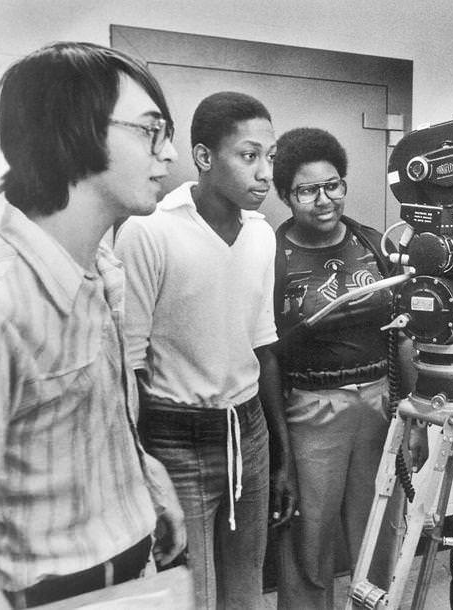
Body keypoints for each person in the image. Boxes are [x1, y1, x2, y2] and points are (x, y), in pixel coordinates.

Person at [0, 42, 186, 609]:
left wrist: (146, 478)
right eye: (150, 130)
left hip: (130, 579)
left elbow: (76, 422)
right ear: (73, 132)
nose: (169, 153)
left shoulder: (100, 271)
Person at [114, 91, 297, 610]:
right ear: (203, 157)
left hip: (249, 432)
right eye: (249, 155)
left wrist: (280, 456)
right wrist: (141, 467)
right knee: (189, 592)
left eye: (271, 156)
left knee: (246, 585)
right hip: (176, 436)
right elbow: (129, 365)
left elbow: (263, 348)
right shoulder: (150, 232)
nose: (265, 173)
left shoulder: (261, 237)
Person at [271, 127, 426, 609]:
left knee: (380, 529)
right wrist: (280, 449)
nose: (323, 199)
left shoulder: (373, 244)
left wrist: (414, 417)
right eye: (307, 190)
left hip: (381, 404)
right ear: (286, 196)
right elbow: (267, 357)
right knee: (308, 537)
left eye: (333, 184)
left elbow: (402, 333)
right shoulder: (273, 255)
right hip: (312, 411)